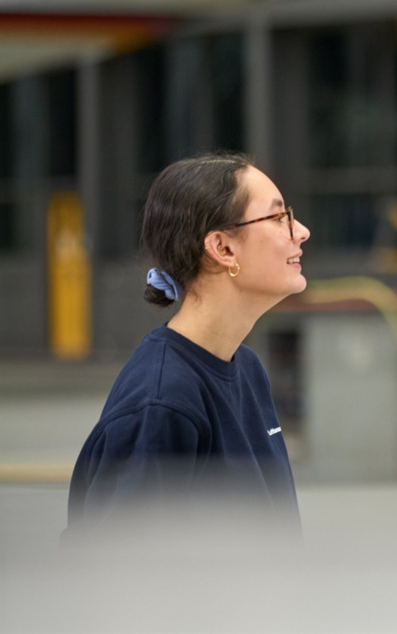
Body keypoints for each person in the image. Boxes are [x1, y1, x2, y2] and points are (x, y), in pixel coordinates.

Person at [64, 152, 310, 545]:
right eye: (279, 217)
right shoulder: (162, 402)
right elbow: (117, 581)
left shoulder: (245, 367)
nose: (302, 231)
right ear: (223, 249)